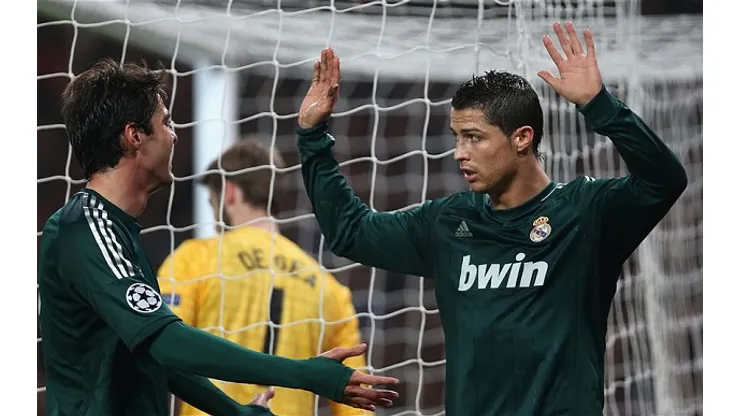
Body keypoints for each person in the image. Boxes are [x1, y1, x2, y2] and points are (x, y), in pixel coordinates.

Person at [295, 22, 688, 416]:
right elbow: (351, 233)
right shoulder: (448, 223)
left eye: (474, 137)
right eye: (457, 137)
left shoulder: (585, 214)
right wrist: (312, 135)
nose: (459, 153)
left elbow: (664, 181)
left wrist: (600, 105)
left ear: (522, 138)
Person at [37, 58, 399, 416]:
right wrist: (304, 373)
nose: (174, 135)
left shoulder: (134, 238)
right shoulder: (84, 228)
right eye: (166, 123)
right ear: (134, 136)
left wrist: (237, 412)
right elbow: (166, 342)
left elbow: (155, 353)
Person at [157, 138, 371, 416]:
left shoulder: (194, 259)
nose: (213, 215)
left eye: (212, 202)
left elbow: (160, 348)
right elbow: (357, 401)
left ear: (230, 192)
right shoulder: (328, 287)